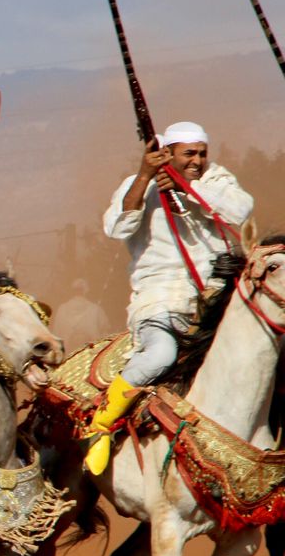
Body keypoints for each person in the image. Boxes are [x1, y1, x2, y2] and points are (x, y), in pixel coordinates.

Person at [82, 121, 254, 473]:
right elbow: (117, 227)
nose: (197, 160)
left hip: (217, 299)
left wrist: (188, 187)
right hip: (159, 301)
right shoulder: (137, 185)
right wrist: (145, 177)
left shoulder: (216, 178)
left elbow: (240, 210)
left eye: (202, 153)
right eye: (188, 153)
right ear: (168, 153)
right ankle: (100, 427)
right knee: (161, 354)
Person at [49, 277, 113, 353]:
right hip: (90, 354)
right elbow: (105, 331)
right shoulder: (96, 309)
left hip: (67, 354)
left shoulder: (62, 309)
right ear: (86, 291)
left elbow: (56, 334)